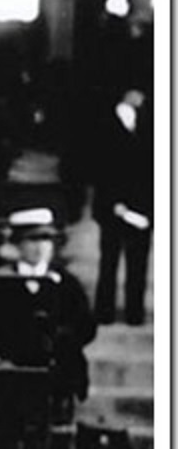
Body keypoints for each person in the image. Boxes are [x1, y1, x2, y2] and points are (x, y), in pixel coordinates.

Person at [0, 208, 96, 449]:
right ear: (18, 245)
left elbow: (86, 326)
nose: (40, 248)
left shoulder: (65, 283)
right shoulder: (2, 283)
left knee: (55, 383)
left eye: (46, 241)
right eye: (32, 240)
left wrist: (63, 341)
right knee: (12, 387)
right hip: (16, 364)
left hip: (55, 363)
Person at [92, 88, 153, 326]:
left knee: (138, 262)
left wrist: (149, 209)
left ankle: (134, 312)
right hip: (111, 205)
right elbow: (100, 168)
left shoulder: (150, 122)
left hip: (141, 206)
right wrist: (113, 202)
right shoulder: (104, 123)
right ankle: (104, 311)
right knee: (109, 261)